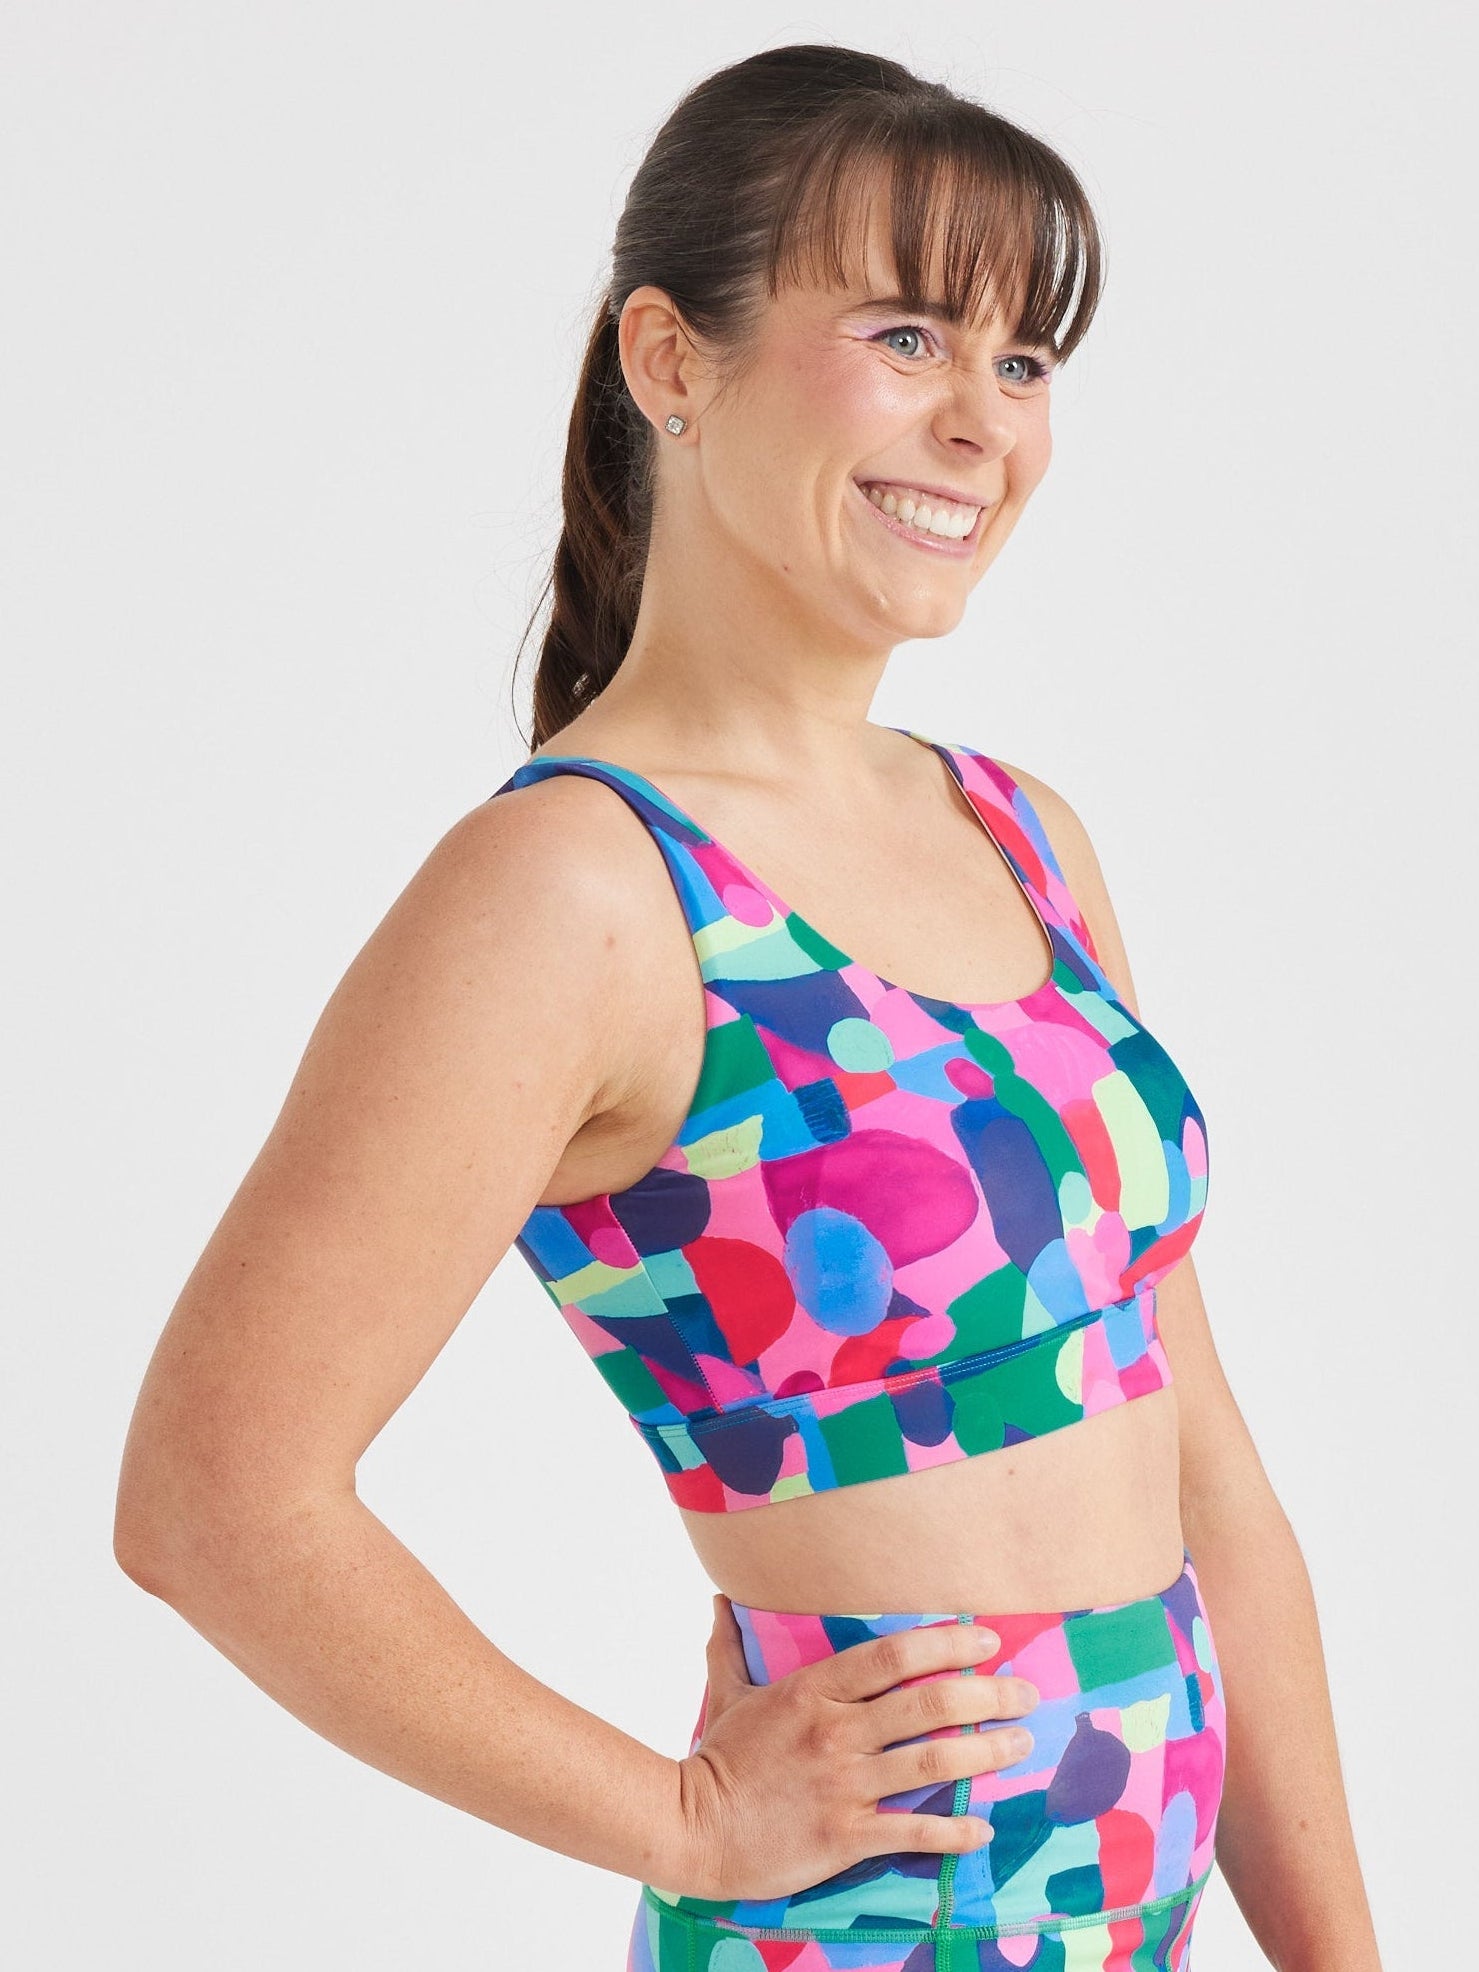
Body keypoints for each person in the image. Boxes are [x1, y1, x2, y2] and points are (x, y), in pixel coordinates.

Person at [114, 42, 1384, 1972]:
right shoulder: (577, 893)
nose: (980, 422)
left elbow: (1213, 1476)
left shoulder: (1023, 836)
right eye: (906, 335)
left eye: (1023, 360)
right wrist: (686, 1818)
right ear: (669, 361)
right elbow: (213, 1497)